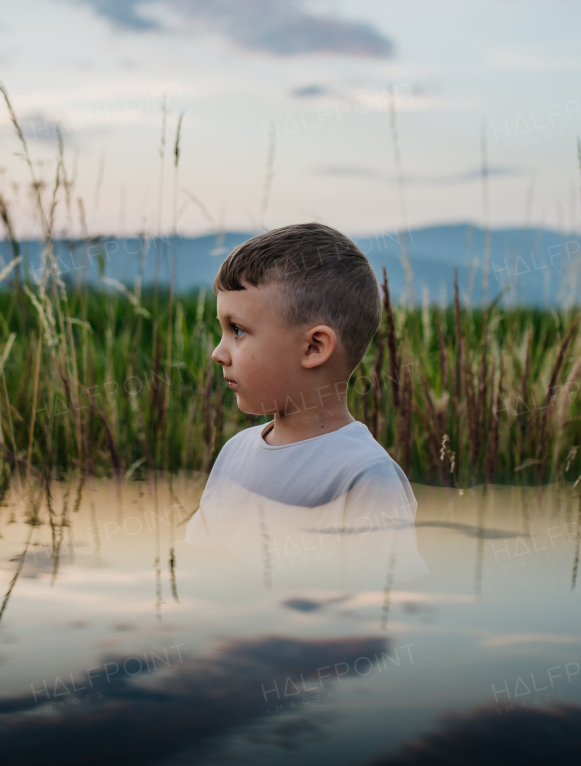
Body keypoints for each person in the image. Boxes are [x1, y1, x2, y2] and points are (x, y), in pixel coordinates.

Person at [183, 223, 427, 589]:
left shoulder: (365, 478)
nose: (218, 353)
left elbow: (386, 619)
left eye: (238, 330)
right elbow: (192, 567)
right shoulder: (234, 453)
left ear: (314, 347)